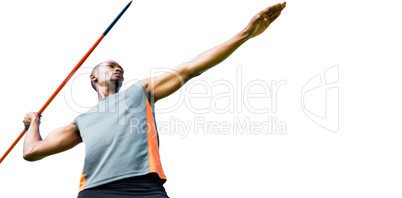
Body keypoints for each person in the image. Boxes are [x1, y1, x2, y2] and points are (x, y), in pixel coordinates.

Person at [22, 2, 286, 198]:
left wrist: (246, 33)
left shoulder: (139, 92)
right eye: (111, 65)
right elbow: (32, 153)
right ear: (93, 78)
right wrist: (33, 122)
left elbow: (191, 67)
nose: (119, 69)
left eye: (121, 68)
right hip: (96, 191)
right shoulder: (81, 122)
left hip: (144, 188)